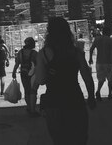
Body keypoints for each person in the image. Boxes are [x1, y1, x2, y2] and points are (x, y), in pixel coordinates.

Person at [33, 17, 96, 145]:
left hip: (54, 102)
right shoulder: (76, 52)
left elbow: (40, 80)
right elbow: (88, 79)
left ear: (49, 33)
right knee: (79, 138)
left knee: (59, 139)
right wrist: (91, 97)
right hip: (75, 99)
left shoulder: (44, 54)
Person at [12, 37, 39, 116]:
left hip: (23, 73)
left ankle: (28, 107)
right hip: (33, 74)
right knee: (33, 91)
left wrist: (14, 72)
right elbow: (38, 64)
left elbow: (17, 63)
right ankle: (33, 110)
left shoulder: (20, 52)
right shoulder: (34, 53)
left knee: (26, 90)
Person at [88, 26, 112, 101]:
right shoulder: (110, 40)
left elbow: (91, 49)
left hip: (99, 62)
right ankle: (110, 94)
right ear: (108, 32)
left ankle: (98, 91)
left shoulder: (97, 39)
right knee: (110, 79)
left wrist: (90, 58)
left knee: (101, 79)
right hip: (108, 62)